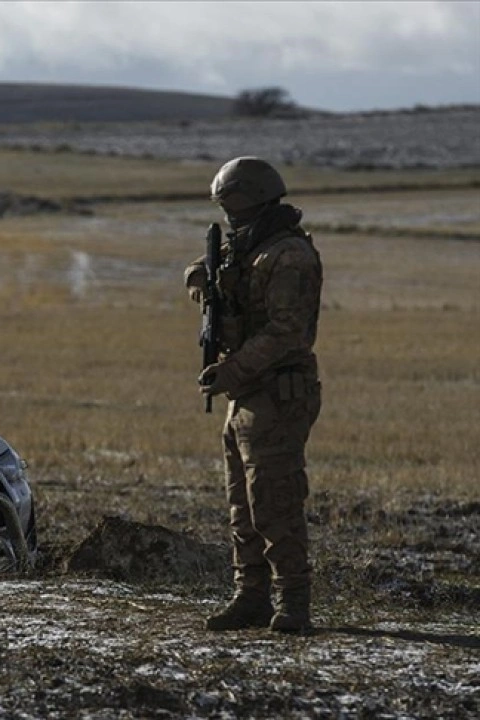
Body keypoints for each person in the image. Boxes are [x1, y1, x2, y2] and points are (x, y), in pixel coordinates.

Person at [184, 157, 323, 632]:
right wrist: (198, 280)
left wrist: (231, 370)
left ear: (251, 200)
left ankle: (294, 603)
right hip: (245, 394)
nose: (227, 215)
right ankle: (252, 597)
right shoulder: (247, 246)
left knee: (275, 500)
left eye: (231, 205)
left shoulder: (288, 256)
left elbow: (287, 332)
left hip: (278, 393)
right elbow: (215, 273)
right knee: (241, 504)